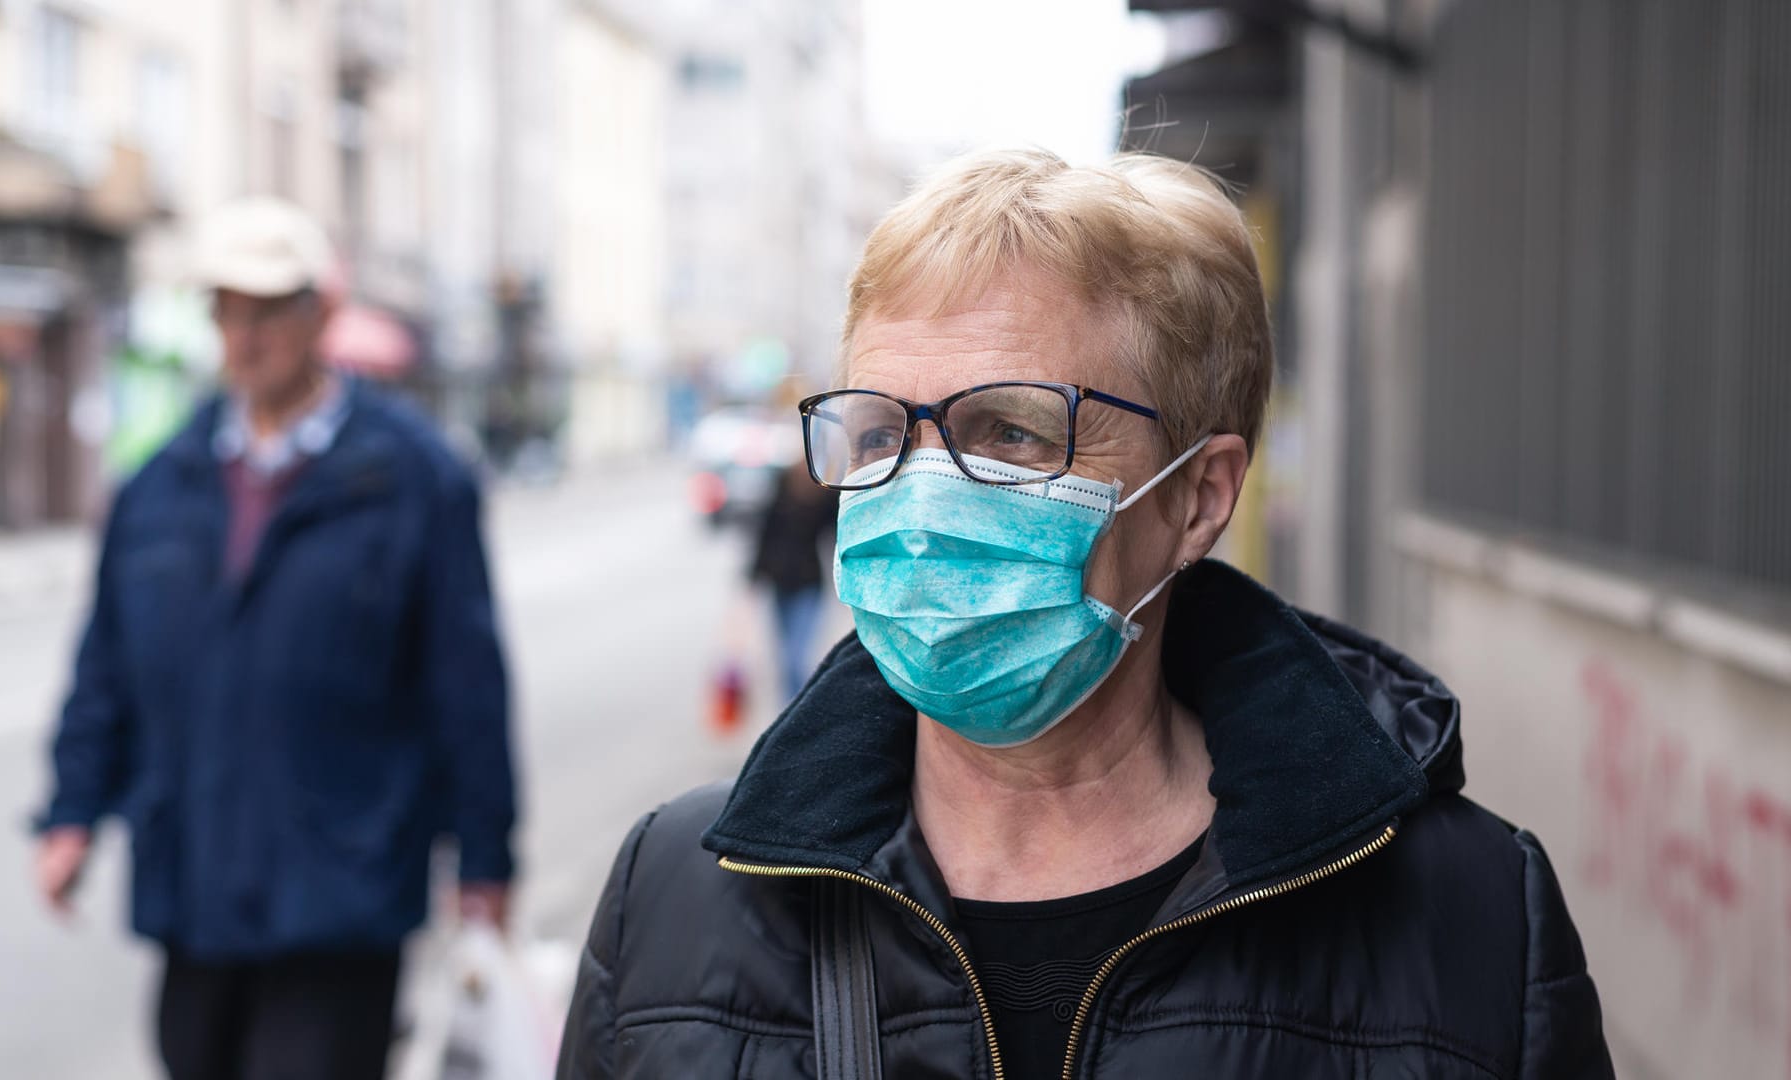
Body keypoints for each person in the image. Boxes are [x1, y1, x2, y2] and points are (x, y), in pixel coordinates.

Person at [557, 150, 1612, 1078]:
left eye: (1011, 431)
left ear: (1199, 499)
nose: (921, 496)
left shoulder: (1468, 918)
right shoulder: (675, 897)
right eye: (879, 432)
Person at [34, 197, 519, 1080]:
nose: (244, 336)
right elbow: (105, 664)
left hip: (344, 888)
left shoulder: (415, 478)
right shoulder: (158, 487)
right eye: (227, 310)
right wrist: (71, 812)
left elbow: (467, 684)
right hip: (196, 885)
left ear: (321, 315)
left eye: (268, 311)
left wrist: (485, 861)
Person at [748, 457, 839, 699]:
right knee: (784, 655)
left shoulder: (825, 496)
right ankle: (788, 707)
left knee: (796, 656)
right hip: (779, 582)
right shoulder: (780, 487)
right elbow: (764, 536)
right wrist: (752, 580)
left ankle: (796, 704)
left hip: (809, 584)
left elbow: (838, 537)